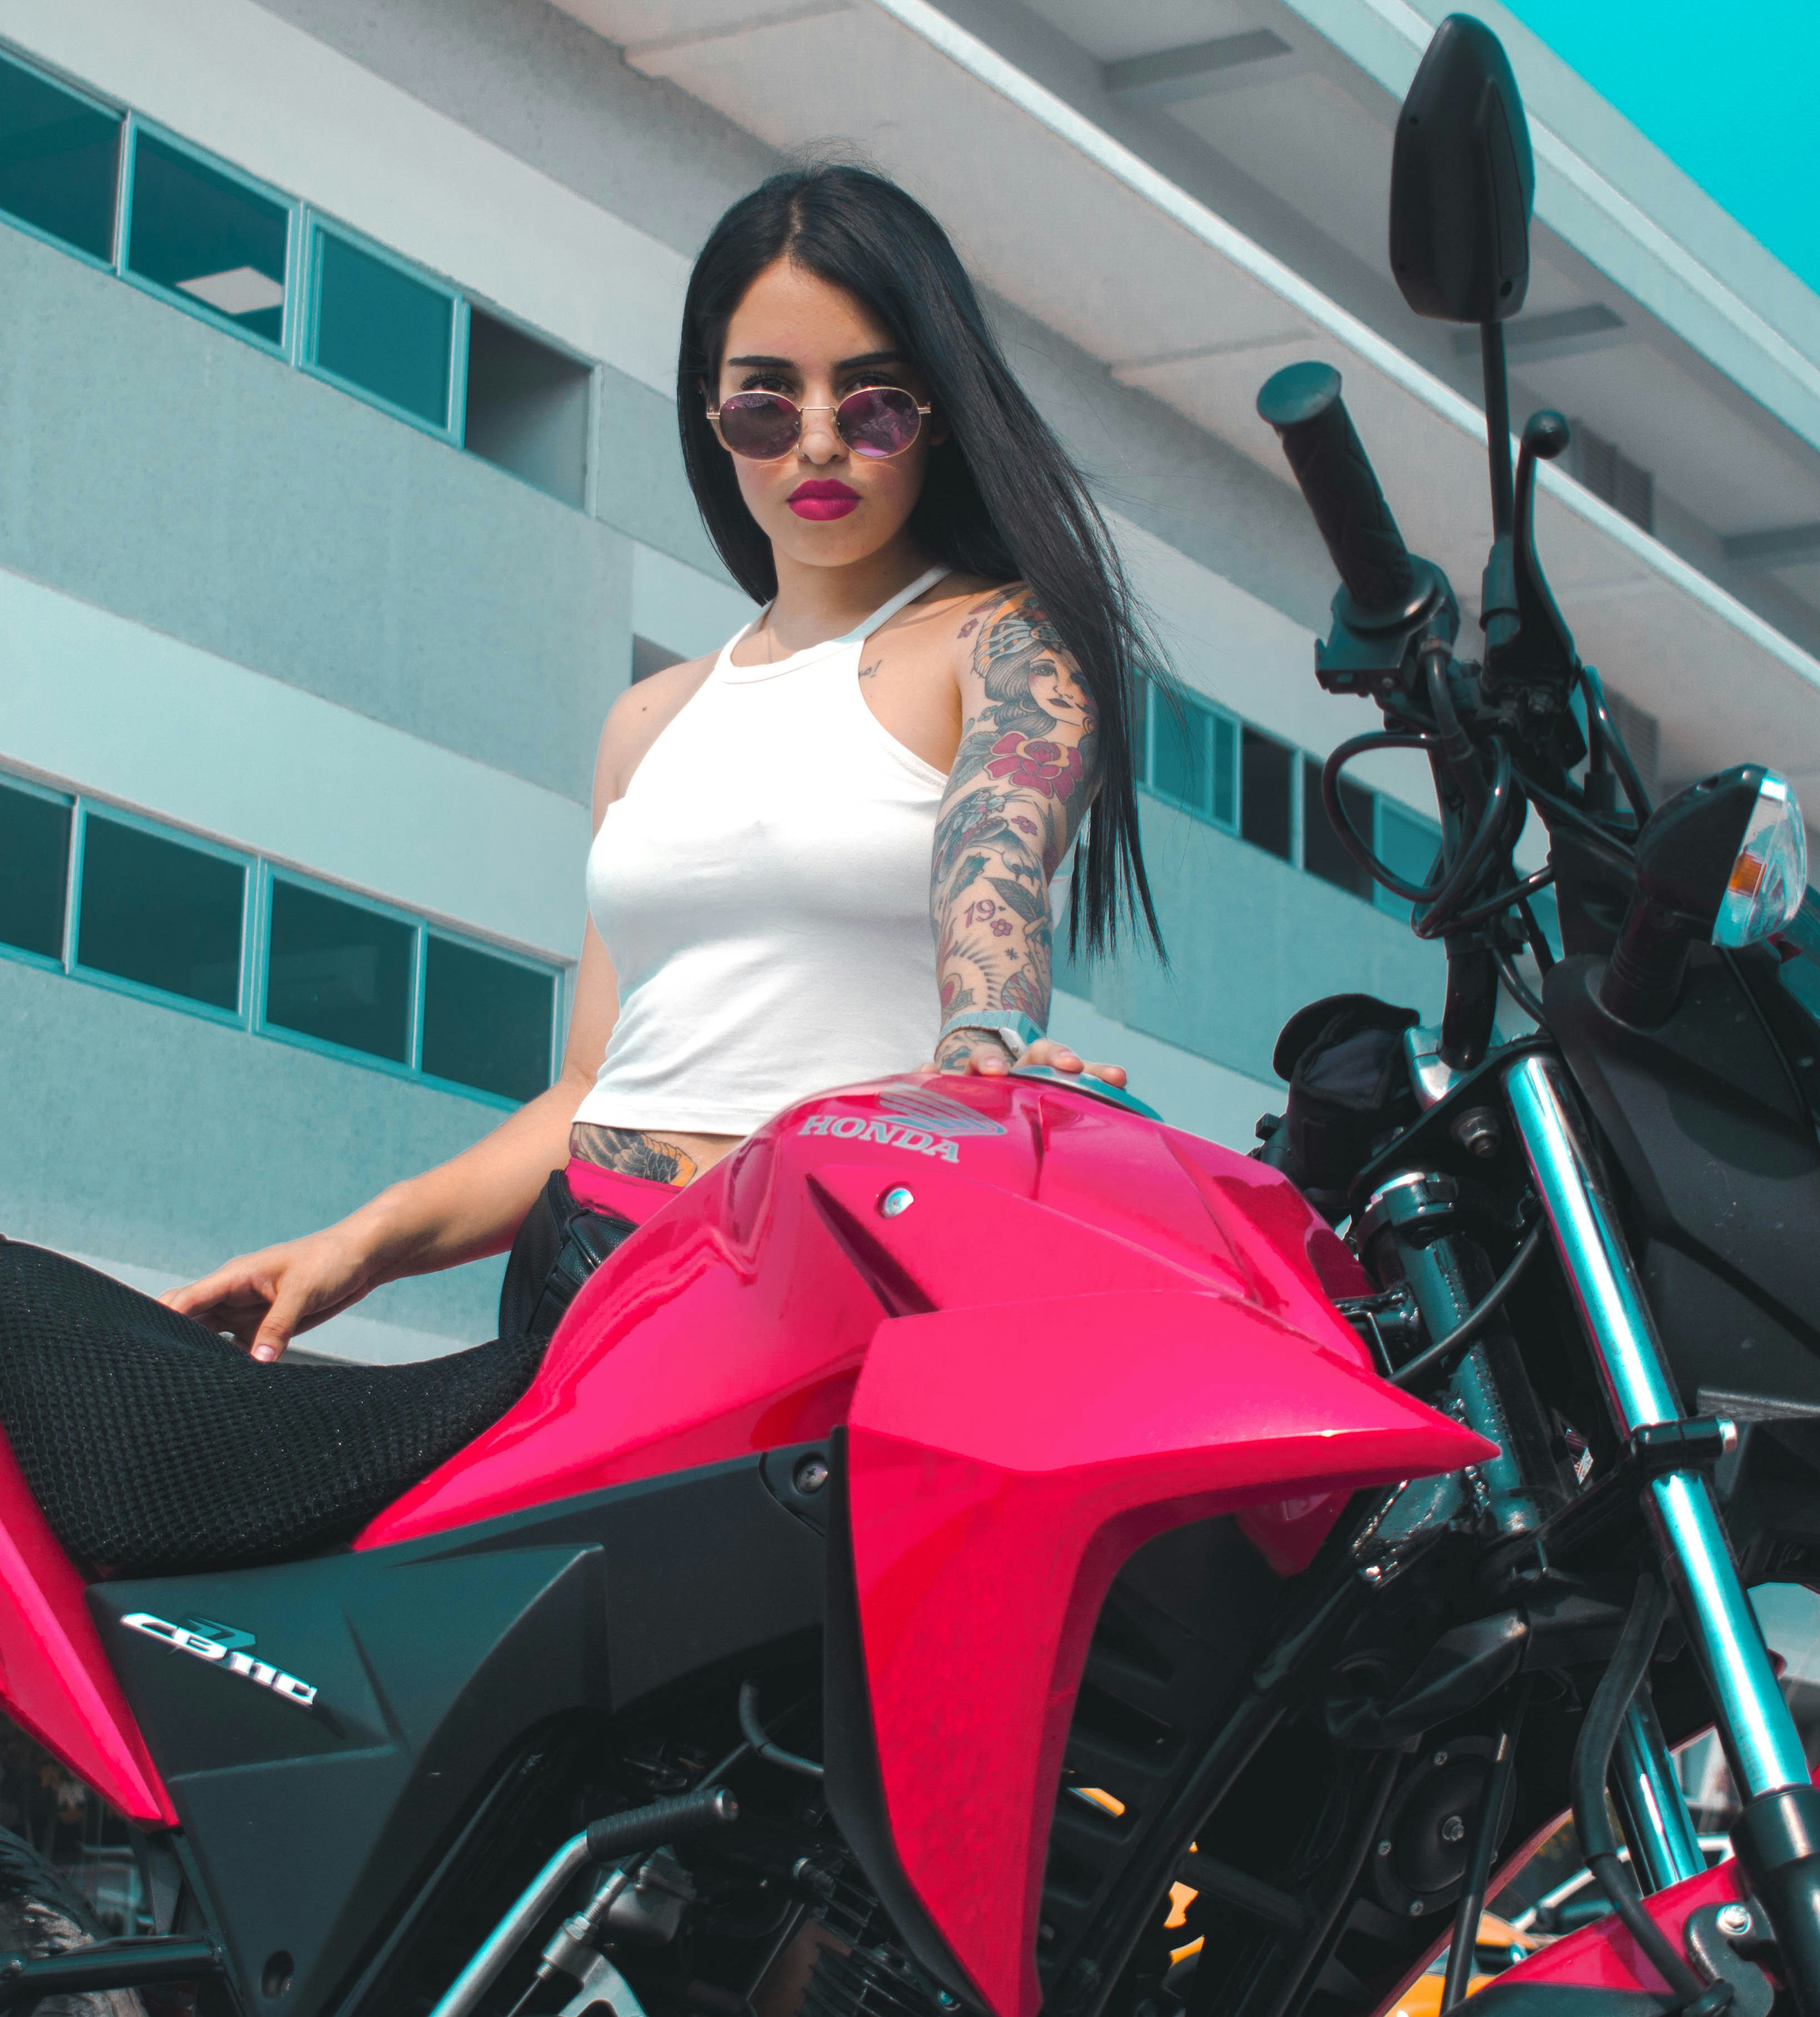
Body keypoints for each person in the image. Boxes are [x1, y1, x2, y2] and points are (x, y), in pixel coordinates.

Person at [169, 164, 1160, 1364]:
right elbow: (588, 1089)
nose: (817, 442)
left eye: (873, 404)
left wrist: (987, 1053)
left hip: (828, 1278)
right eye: (765, 404)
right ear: (710, 412)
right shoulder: (649, 719)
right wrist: (358, 1244)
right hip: (587, 1273)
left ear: (937, 414)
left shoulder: (1000, 646)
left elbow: (991, 890)